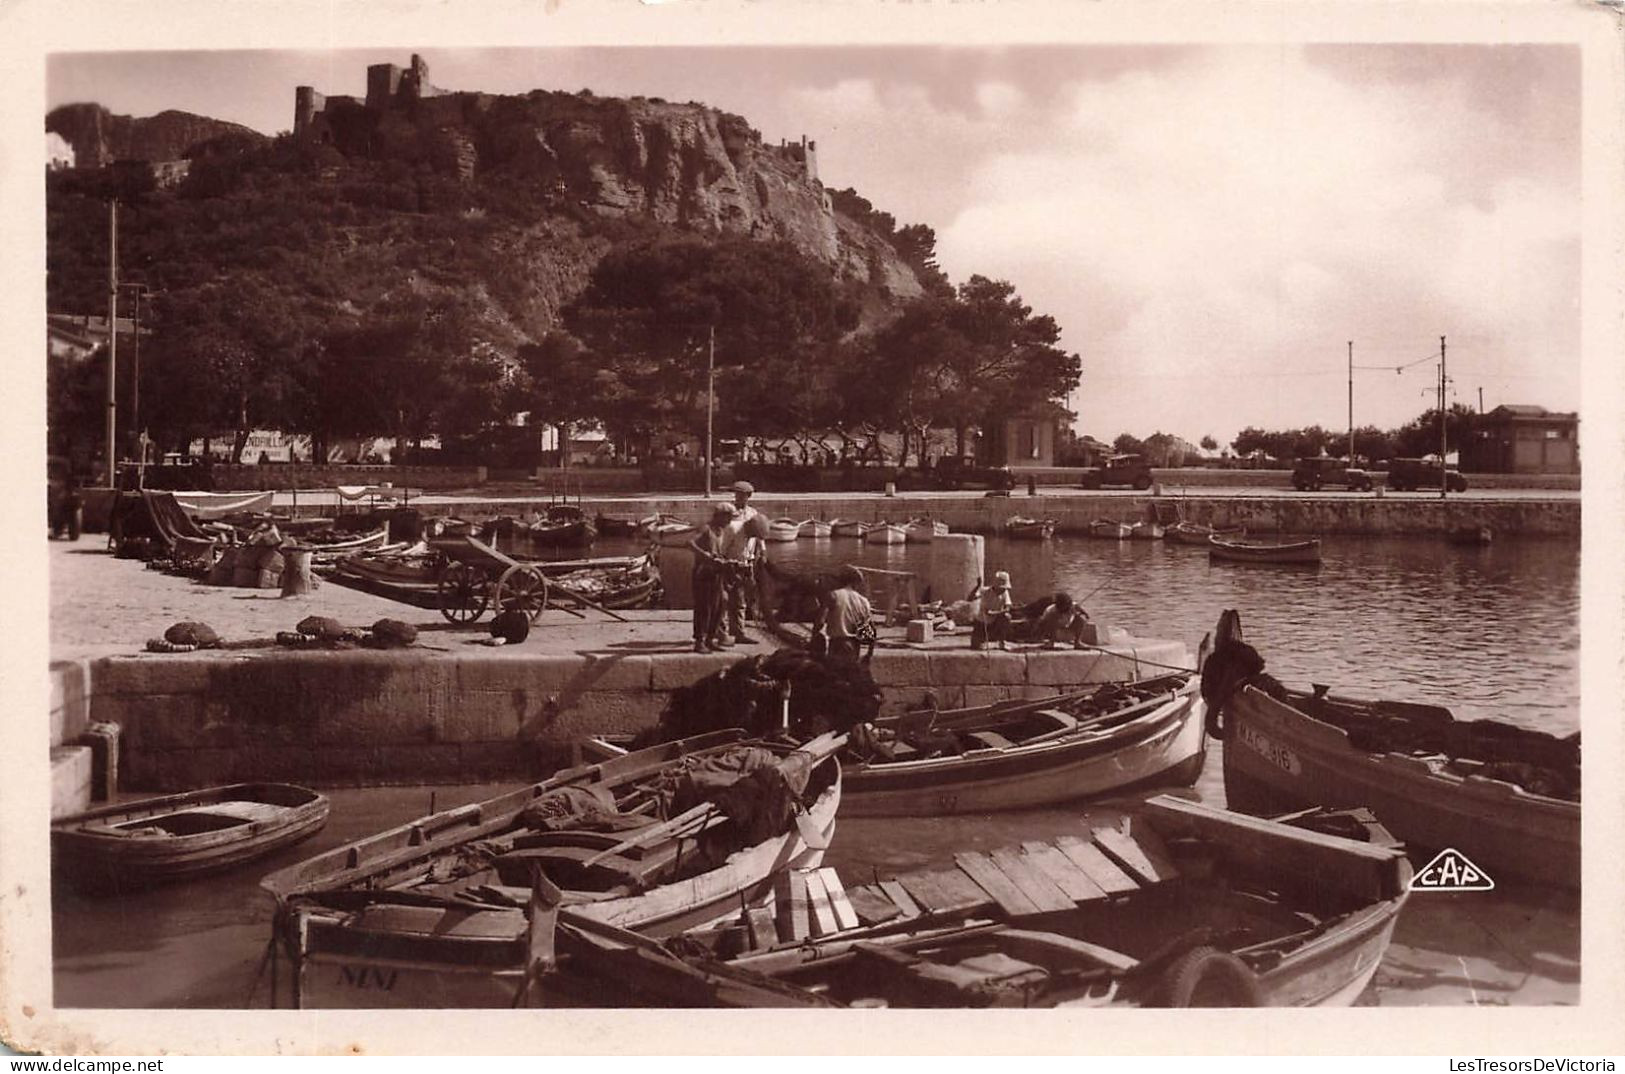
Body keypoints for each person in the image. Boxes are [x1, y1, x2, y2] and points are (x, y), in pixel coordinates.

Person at [717, 480, 768, 645]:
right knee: (724, 601)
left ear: (748, 496)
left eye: (741, 494)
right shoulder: (731, 517)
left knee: (740, 601)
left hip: (747, 562)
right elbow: (722, 546)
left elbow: (759, 535)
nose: (738, 497)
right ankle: (721, 633)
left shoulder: (753, 514)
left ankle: (739, 632)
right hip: (731, 563)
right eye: (736, 494)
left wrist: (762, 552)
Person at [688, 503, 736, 653]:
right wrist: (706, 556)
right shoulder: (705, 528)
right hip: (703, 574)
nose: (729, 521)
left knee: (718, 607)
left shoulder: (720, 531)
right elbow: (689, 543)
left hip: (716, 573)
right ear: (719, 515)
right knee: (704, 608)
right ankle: (699, 641)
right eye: (728, 517)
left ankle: (710, 639)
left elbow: (718, 551)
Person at [823, 565, 874, 661]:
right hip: (855, 646)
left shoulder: (833, 595)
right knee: (850, 673)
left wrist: (814, 638)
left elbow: (820, 621)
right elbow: (869, 630)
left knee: (834, 673)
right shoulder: (864, 601)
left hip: (837, 644)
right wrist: (869, 653)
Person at [972, 570, 1015, 651]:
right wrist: (977, 586)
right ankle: (983, 640)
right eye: (1001, 588)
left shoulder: (1005, 592)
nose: (1003, 590)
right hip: (982, 623)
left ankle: (1002, 642)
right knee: (976, 646)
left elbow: (1008, 608)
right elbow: (970, 598)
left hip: (995, 623)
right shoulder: (985, 591)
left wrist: (995, 613)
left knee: (1006, 617)